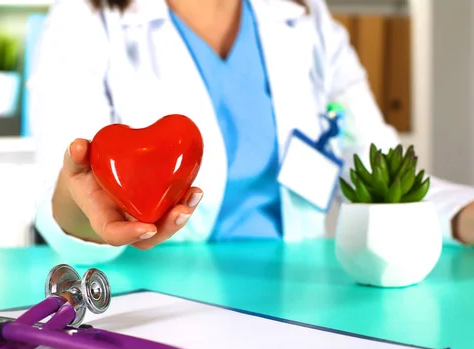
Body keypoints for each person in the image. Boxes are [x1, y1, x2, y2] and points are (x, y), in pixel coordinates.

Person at [28, 0, 474, 265]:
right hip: (143, 298)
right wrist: (86, 216)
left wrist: (463, 213)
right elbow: (68, 189)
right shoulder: (85, 17)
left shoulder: (305, 15)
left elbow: (381, 170)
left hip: (298, 296)